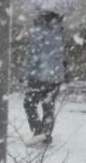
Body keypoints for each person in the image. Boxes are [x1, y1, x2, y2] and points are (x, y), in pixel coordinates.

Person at [23, 11, 67, 144]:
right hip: (56, 77)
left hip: (39, 76)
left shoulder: (39, 33)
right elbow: (62, 56)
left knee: (29, 103)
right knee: (48, 106)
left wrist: (25, 73)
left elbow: (32, 56)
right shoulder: (60, 32)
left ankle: (38, 131)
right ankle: (46, 134)